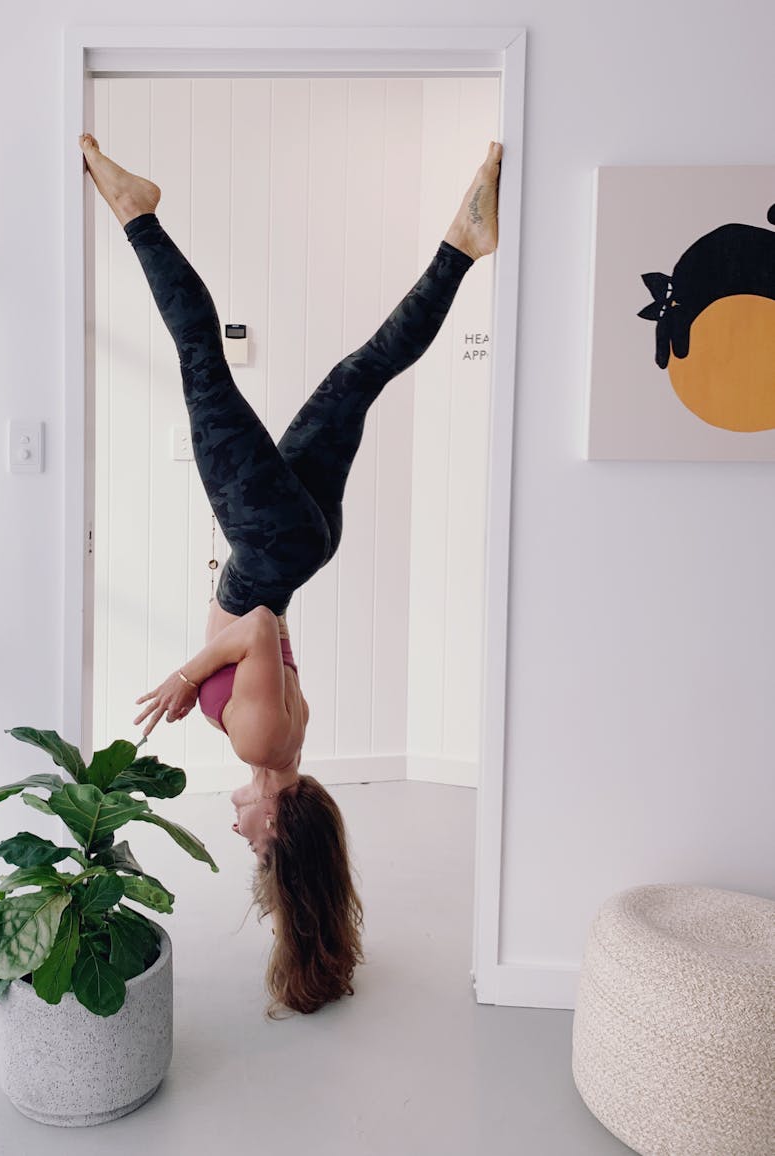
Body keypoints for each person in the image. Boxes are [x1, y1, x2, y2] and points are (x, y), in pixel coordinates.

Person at [79, 131, 502, 1014]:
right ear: (279, 822)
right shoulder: (264, 744)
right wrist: (185, 673)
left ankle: (462, 248)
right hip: (271, 546)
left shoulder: (287, 746)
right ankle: (137, 214)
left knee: (358, 375)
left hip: (291, 545)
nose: (239, 835)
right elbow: (263, 627)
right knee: (200, 357)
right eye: (257, 846)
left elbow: (268, 633)